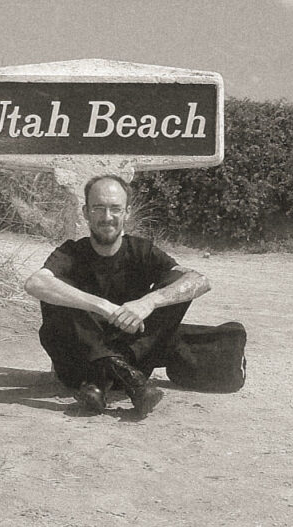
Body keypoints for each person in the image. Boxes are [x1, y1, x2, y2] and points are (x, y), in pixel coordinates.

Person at [24, 175, 211, 416]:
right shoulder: (72, 253)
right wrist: (104, 307)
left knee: (175, 286)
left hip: (134, 360)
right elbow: (35, 283)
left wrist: (148, 302)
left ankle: (101, 382)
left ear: (127, 213)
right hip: (81, 370)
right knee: (56, 289)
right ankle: (114, 375)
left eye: (115, 209)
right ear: (86, 212)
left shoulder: (141, 250)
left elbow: (200, 280)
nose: (107, 217)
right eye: (99, 208)